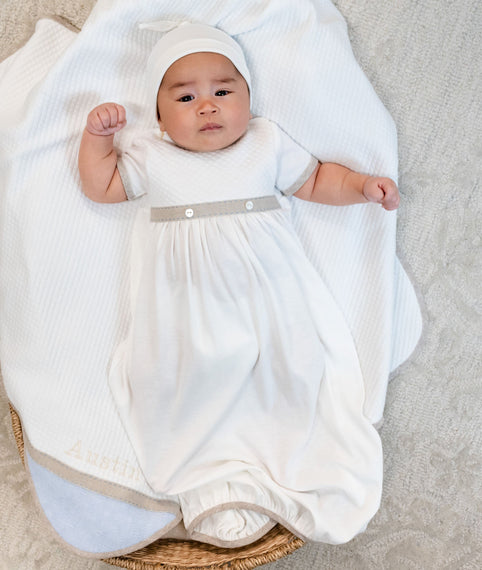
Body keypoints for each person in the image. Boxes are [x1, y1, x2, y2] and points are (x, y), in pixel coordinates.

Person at [77, 23, 393, 544]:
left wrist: (360, 185)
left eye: (223, 91)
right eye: (186, 96)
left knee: (289, 364)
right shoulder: (151, 157)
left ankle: (285, 456)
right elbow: (103, 186)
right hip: (185, 304)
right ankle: (212, 475)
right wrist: (97, 139)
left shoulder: (265, 142)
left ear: (248, 97)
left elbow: (315, 180)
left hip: (266, 292)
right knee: (185, 374)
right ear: (159, 116)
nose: (208, 106)